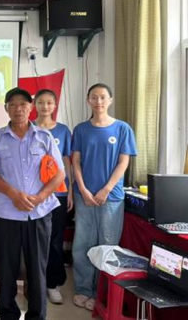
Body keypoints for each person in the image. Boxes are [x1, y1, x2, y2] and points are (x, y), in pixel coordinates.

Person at [0, 87, 65, 320]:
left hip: (39, 213)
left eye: (23, 104)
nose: (18, 109)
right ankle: (7, 314)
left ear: (30, 108)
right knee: (6, 269)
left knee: (37, 268)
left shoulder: (44, 137)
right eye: (13, 104)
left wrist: (39, 197)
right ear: (6, 108)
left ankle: (37, 315)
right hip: (6, 213)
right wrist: (13, 194)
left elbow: (59, 174)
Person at [71, 83, 137, 311]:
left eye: (102, 97)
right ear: (88, 100)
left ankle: (102, 294)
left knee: (107, 245)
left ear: (110, 100)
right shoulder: (81, 129)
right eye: (94, 97)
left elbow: (123, 162)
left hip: (112, 197)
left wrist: (106, 189)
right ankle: (83, 290)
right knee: (82, 243)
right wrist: (83, 189)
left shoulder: (122, 128)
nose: (98, 101)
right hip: (84, 196)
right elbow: (75, 162)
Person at [33, 89, 73, 305]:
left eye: (49, 102)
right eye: (41, 102)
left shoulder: (63, 131)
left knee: (55, 240)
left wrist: (70, 190)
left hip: (58, 193)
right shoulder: (28, 128)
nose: (45, 106)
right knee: (35, 240)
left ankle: (52, 283)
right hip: (34, 194)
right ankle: (35, 283)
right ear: (34, 105)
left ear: (55, 105)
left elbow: (66, 162)